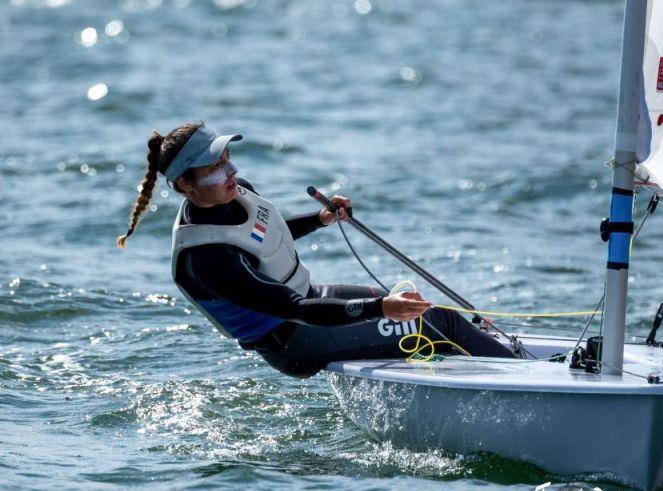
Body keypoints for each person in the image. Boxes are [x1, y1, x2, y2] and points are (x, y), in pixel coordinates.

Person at [117, 121, 515, 377]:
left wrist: (320, 218)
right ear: (186, 184)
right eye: (215, 167)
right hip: (296, 339)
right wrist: (380, 310)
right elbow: (292, 308)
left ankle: (485, 363)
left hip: (312, 301)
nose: (232, 171)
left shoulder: (234, 194)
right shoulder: (206, 259)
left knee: (412, 304)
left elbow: (264, 235)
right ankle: (519, 376)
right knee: (440, 322)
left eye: (227, 158)